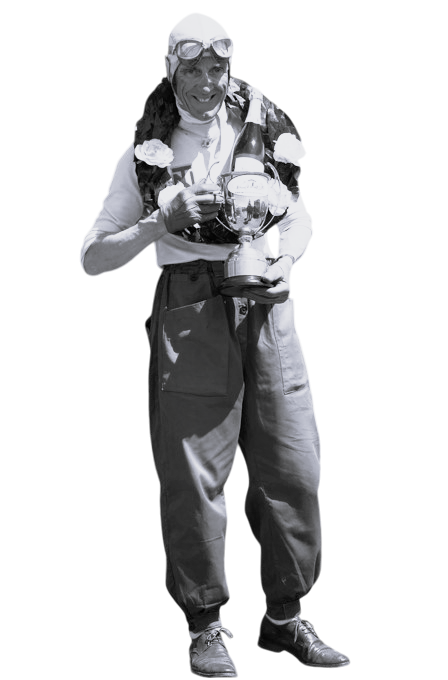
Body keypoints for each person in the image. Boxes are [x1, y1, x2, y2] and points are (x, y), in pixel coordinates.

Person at [79, 12, 351, 676]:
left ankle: (285, 618)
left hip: (268, 305)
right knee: (194, 473)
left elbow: (299, 216)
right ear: (171, 70)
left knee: (295, 466)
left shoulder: (263, 132)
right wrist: (159, 221)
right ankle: (205, 625)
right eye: (193, 69)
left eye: (217, 68)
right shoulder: (145, 153)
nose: (207, 82)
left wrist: (287, 261)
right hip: (192, 308)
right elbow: (92, 258)